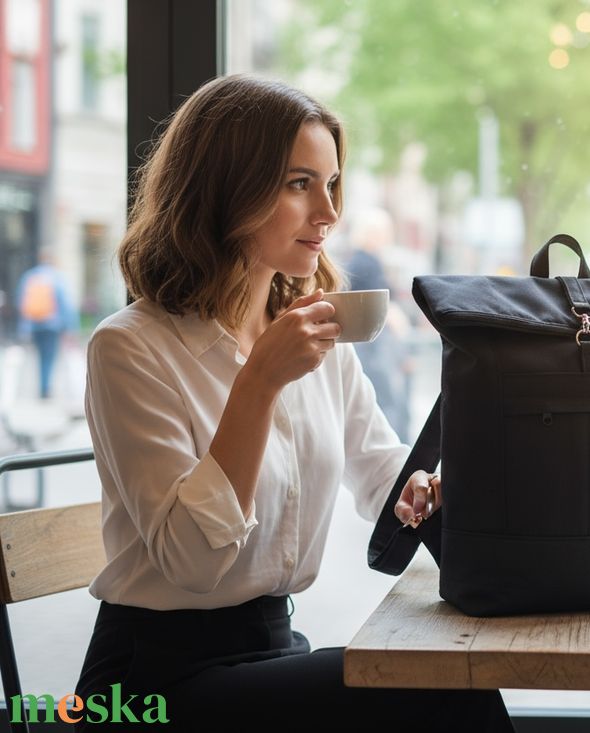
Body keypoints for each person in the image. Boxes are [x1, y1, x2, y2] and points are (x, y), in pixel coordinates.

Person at [75, 74, 513, 731]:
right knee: (446, 682)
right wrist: (258, 382)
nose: (328, 212)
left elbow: (380, 472)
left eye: (331, 183)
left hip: (272, 650)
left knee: (448, 672)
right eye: (299, 183)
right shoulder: (129, 348)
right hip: (150, 684)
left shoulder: (315, 335)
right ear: (226, 189)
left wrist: (420, 487)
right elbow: (192, 562)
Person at [344, 209, 414, 441]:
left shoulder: (356, 260)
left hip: (369, 347)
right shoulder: (368, 263)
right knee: (389, 402)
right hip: (376, 348)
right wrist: (404, 346)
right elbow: (388, 311)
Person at [16, 249, 77, 399]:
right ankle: (45, 389)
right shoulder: (57, 278)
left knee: (40, 357)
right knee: (49, 357)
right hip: (52, 325)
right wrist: (70, 328)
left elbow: (21, 303)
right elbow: (66, 305)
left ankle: (42, 386)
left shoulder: (30, 276)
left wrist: (24, 327)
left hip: (34, 325)